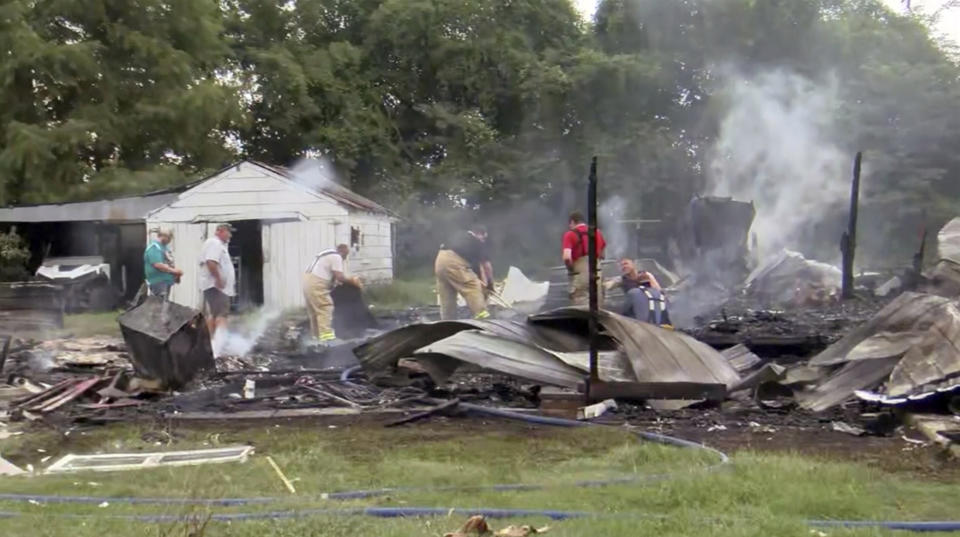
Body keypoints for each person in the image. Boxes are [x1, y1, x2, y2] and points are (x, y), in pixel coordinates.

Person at [303, 244, 362, 344]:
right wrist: (352, 281)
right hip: (317, 283)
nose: (344, 258)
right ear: (342, 252)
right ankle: (327, 339)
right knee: (325, 307)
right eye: (345, 255)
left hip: (307, 282)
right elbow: (340, 277)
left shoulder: (325, 254)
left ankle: (316, 339)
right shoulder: (336, 256)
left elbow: (332, 277)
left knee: (315, 312)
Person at [435, 224, 493, 320]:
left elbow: (477, 267)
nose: (483, 241)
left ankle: (447, 322)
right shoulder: (475, 241)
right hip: (454, 262)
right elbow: (486, 265)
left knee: (447, 294)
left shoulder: (459, 235)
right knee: (472, 287)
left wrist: (481, 279)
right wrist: (490, 283)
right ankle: (482, 316)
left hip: (440, 261)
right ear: (479, 234)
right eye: (483, 238)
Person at [562, 211, 606, 307]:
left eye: (570, 224)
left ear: (572, 222)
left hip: (580, 273)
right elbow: (602, 255)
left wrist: (571, 269)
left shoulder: (570, 234)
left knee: (581, 304)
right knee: (598, 304)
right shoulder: (597, 232)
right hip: (597, 271)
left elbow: (566, 257)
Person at [199, 224, 236, 337]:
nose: (230, 235)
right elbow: (211, 262)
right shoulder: (215, 243)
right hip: (216, 286)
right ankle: (219, 345)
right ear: (220, 231)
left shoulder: (218, 244)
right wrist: (219, 279)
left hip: (215, 286)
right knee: (222, 315)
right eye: (228, 232)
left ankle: (211, 345)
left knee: (214, 314)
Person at [617, 258, 672, 328]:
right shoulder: (622, 280)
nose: (624, 267)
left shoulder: (647, 276)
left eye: (626, 264)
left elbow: (658, 290)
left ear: (633, 264)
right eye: (621, 265)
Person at [143, 228, 182, 300]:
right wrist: (174, 271)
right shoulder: (154, 247)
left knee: (165, 303)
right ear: (164, 236)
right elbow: (158, 265)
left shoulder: (164, 247)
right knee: (159, 304)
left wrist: (176, 275)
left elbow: (169, 261)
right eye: (169, 238)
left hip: (166, 280)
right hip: (158, 281)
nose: (170, 240)